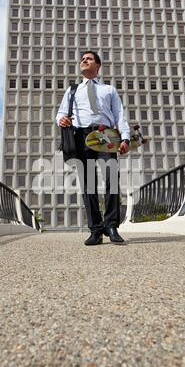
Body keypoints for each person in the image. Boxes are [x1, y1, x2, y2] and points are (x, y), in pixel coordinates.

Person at [56, 51, 130, 245]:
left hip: (105, 136)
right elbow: (61, 113)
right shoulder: (72, 90)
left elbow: (119, 115)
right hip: (81, 136)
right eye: (82, 59)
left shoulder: (109, 90)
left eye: (88, 59)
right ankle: (95, 230)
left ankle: (111, 226)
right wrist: (61, 119)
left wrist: (126, 138)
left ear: (98, 65)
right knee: (88, 185)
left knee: (112, 178)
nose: (83, 60)